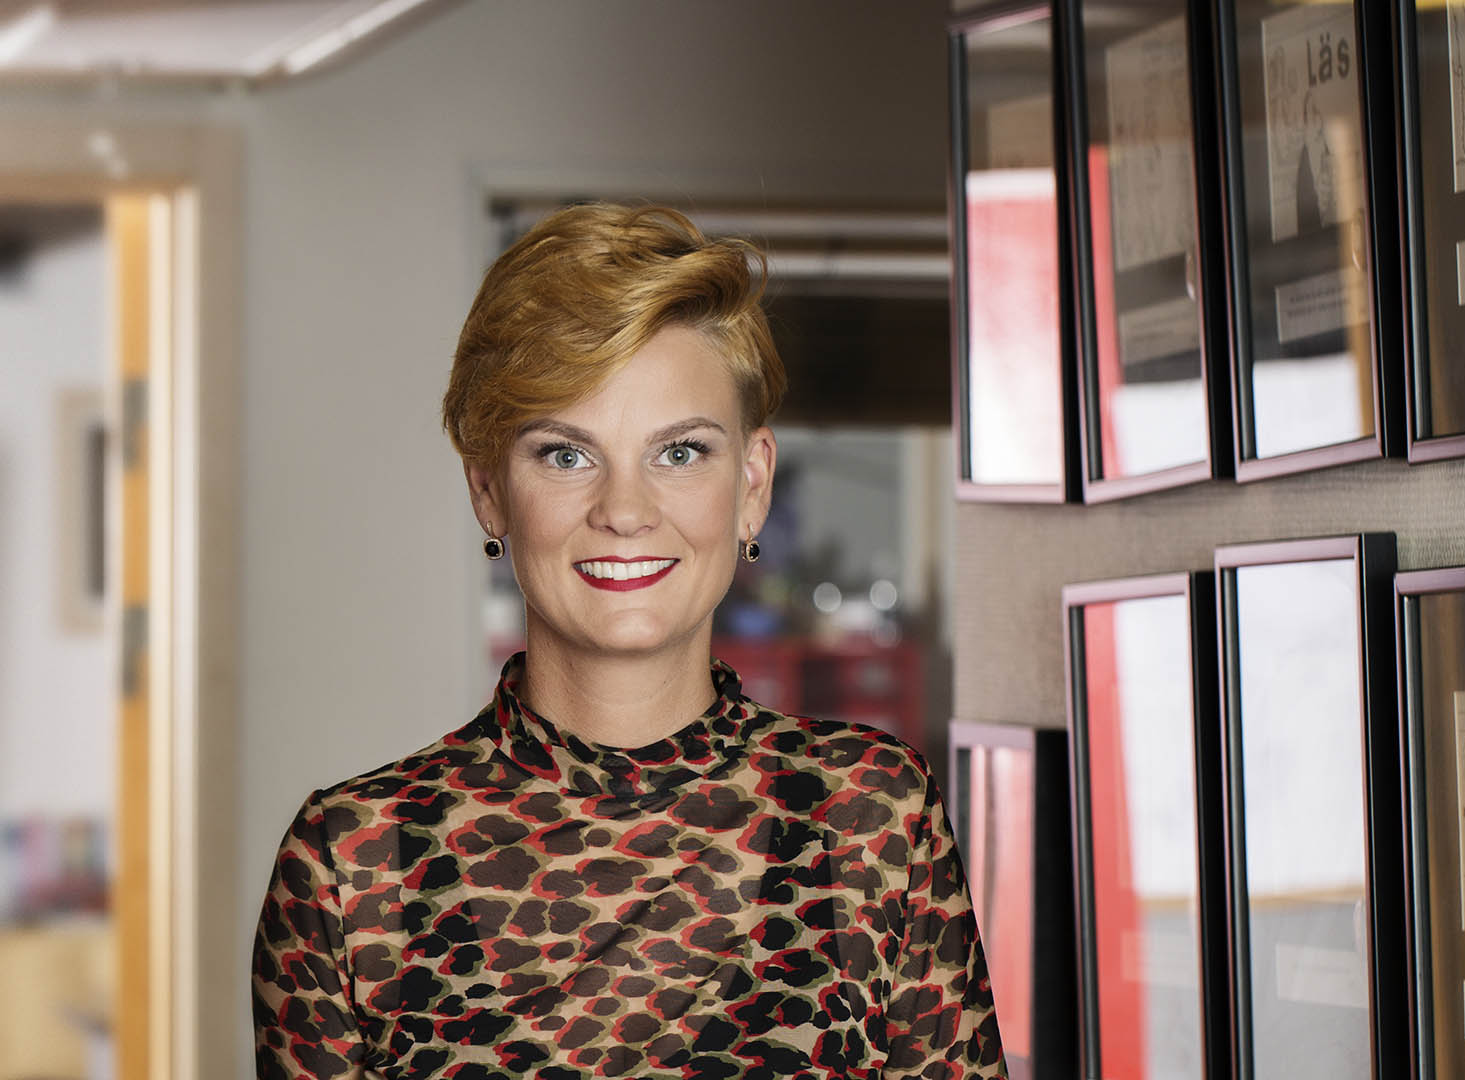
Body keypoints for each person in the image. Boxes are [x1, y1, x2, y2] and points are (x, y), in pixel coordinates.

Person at [251, 203, 1005, 1079]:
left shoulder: (870, 818)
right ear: (490, 490)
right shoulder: (354, 864)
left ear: (752, 484)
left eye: (680, 453)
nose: (625, 511)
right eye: (566, 455)